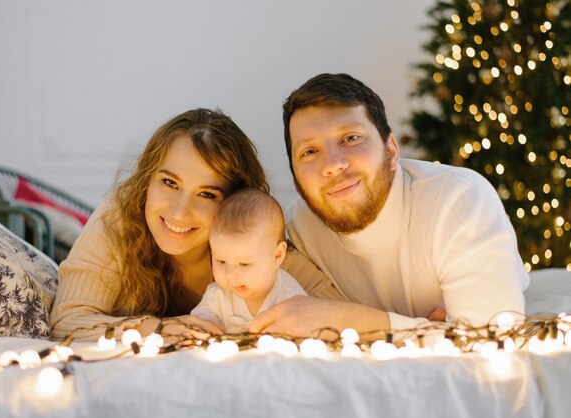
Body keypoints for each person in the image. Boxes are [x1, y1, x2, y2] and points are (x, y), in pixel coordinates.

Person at [250, 73, 529, 337]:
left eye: (350, 138)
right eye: (309, 152)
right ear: (297, 181)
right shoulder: (298, 230)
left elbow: (493, 340)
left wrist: (350, 322)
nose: (334, 165)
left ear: (391, 150)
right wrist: (429, 331)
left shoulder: (458, 199)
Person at [50, 108, 341, 342]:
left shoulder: (255, 241)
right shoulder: (118, 221)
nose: (180, 211)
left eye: (206, 194)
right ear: (146, 182)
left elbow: (342, 313)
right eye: (169, 182)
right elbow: (67, 322)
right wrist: (155, 330)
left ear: (234, 201)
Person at [191, 188, 307, 333]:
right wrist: (207, 326)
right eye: (221, 261)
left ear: (277, 256)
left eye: (244, 264)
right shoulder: (217, 296)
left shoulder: (292, 300)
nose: (230, 274)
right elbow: (198, 322)